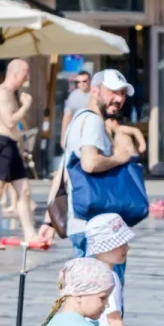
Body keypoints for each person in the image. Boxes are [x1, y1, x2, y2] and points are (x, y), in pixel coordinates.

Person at [61, 69, 136, 256]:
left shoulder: (79, 120)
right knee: (106, 284)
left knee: (88, 283)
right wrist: (120, 158)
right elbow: (90, 163)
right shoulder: (93, 121)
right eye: (113, 92)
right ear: (95, 91)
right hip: (98, 229)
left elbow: (64, 171)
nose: (119, 99)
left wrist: (48, 219)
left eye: (123, 94)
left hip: (80, 224)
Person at [0, 59, 38, 243]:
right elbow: (9, 121)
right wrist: (26, 106)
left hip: (11, 147)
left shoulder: (11, 93)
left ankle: (30, 234)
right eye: (25, 73)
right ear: (15, 73)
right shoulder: (2, 93)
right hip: (1, 146)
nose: (27, 78)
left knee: (24, 192)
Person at [60, 69, 91, 151]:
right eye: (78, 82)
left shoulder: (95, 95)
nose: (81, 84)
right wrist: (63, 138)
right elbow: (67, 117)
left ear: (89, 81)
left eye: (84, 81)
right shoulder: (73, 96)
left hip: (92, 132)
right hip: (77, 134)